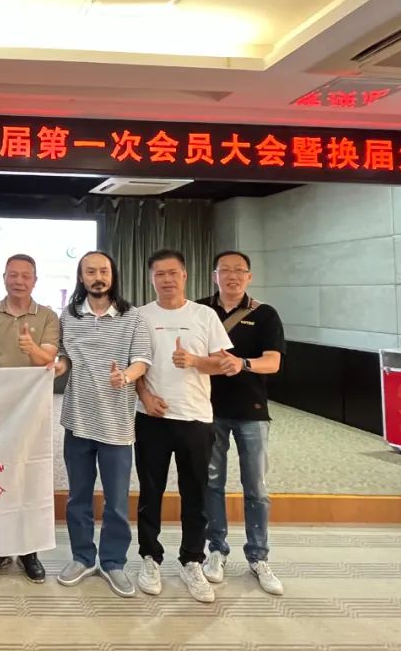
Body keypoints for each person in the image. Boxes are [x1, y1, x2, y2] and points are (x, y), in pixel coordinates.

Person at [134, 248, 234, 604]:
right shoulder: (140, 316)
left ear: (185, 275)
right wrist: (145, 396)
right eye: (159, 274)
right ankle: (150, 557)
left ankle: (192, 560)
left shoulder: (204, 315)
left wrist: (194, 360)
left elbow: (223, 364)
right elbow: (135, 365)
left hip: (196, 419)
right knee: (150, 493)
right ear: (151, 278)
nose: (167, 280)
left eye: (172, 273)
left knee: (196, 494)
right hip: (153, 418)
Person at [55, 251, 151, 598]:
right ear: (81, 277)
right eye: (91, 271)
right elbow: (65, 356)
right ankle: (82, 557)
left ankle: (113, 562)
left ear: (113, 275)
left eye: (104, 271)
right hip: (77, 420)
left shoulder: (133, 317)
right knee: (78, 497)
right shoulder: (69, 315)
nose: (98, 277)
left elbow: (142, 361)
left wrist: (125, 376)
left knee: (116, 501)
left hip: (117, 425)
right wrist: (59, 367)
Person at [0, 254, 61, 583]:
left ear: (35, 280)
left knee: (28, 477)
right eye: (13, 275)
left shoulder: (48, 316)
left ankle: (28, 551)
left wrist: (31, 347)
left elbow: (47, 359)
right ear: (4, 278)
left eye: (26, 276)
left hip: (30, 411)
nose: (19, 281)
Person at [199, 251, 286, 596]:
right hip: (208, 410)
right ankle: (216, 550)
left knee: (256, 487)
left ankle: (258, 557)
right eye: (225, 270)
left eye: (239, 270)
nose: (232, 276)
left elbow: (273, 362)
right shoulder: (200, 310)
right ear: (214, 275)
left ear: (249, 277)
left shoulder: (265, 314)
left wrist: (242, 364)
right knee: (211, 483)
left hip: (252, 411)